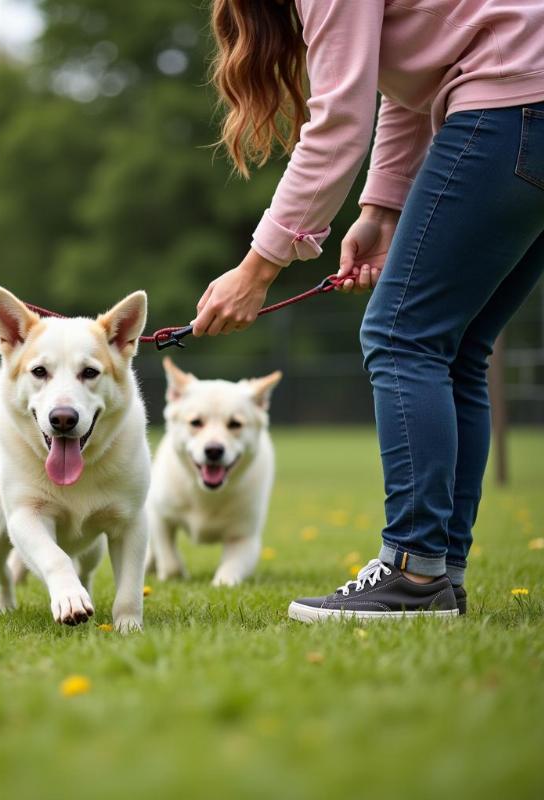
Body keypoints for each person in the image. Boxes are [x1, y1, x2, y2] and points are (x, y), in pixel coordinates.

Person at [193, 0, 544, 621]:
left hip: (510, 105)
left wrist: (258, 267)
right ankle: (439, 573)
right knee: (455, 347)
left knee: (401, 336)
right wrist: (380, 211)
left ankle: (412, 571)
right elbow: (412, 89)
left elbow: (338, 122)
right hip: (523, 105)